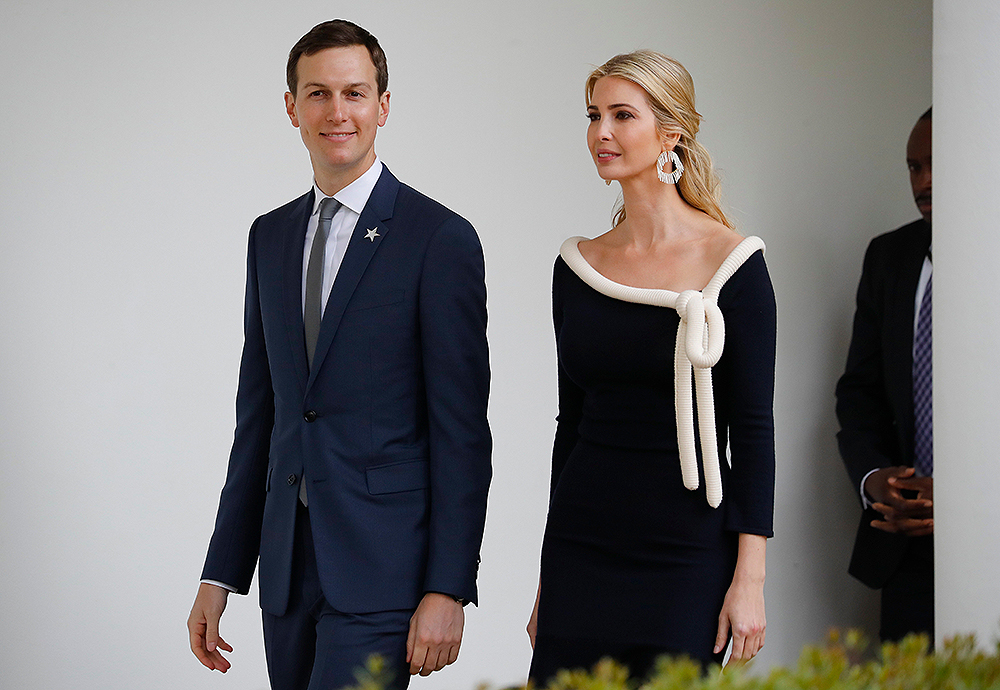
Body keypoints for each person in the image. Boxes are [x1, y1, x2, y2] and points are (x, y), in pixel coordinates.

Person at [185, 20, 492, 690]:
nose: (337, 111)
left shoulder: (438, 239)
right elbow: (259, 420)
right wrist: (221, 570)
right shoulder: (269, 238)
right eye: (318, 94)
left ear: (383, 106)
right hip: (287, 572)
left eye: (354, 93)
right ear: (292, 107)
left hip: (386, 575)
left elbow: (463, 434)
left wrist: (449, 587)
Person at [526, 50, 776, 684]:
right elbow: (570, 424)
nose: (600, 133)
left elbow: (752, 431)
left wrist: (749, 580)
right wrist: (546, 578)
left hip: (686, 552)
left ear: (672, 133)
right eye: (593, 116)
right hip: (582, 548)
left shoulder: (735, 263)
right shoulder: (576, 266)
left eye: (621, 115)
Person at [835, 108, 933, 643]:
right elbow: (860, 392)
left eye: (937, 165)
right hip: (903, 547)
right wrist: (875, 481)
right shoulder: (889, 257)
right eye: (913, 168)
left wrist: (966, 497)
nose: (924, 182)